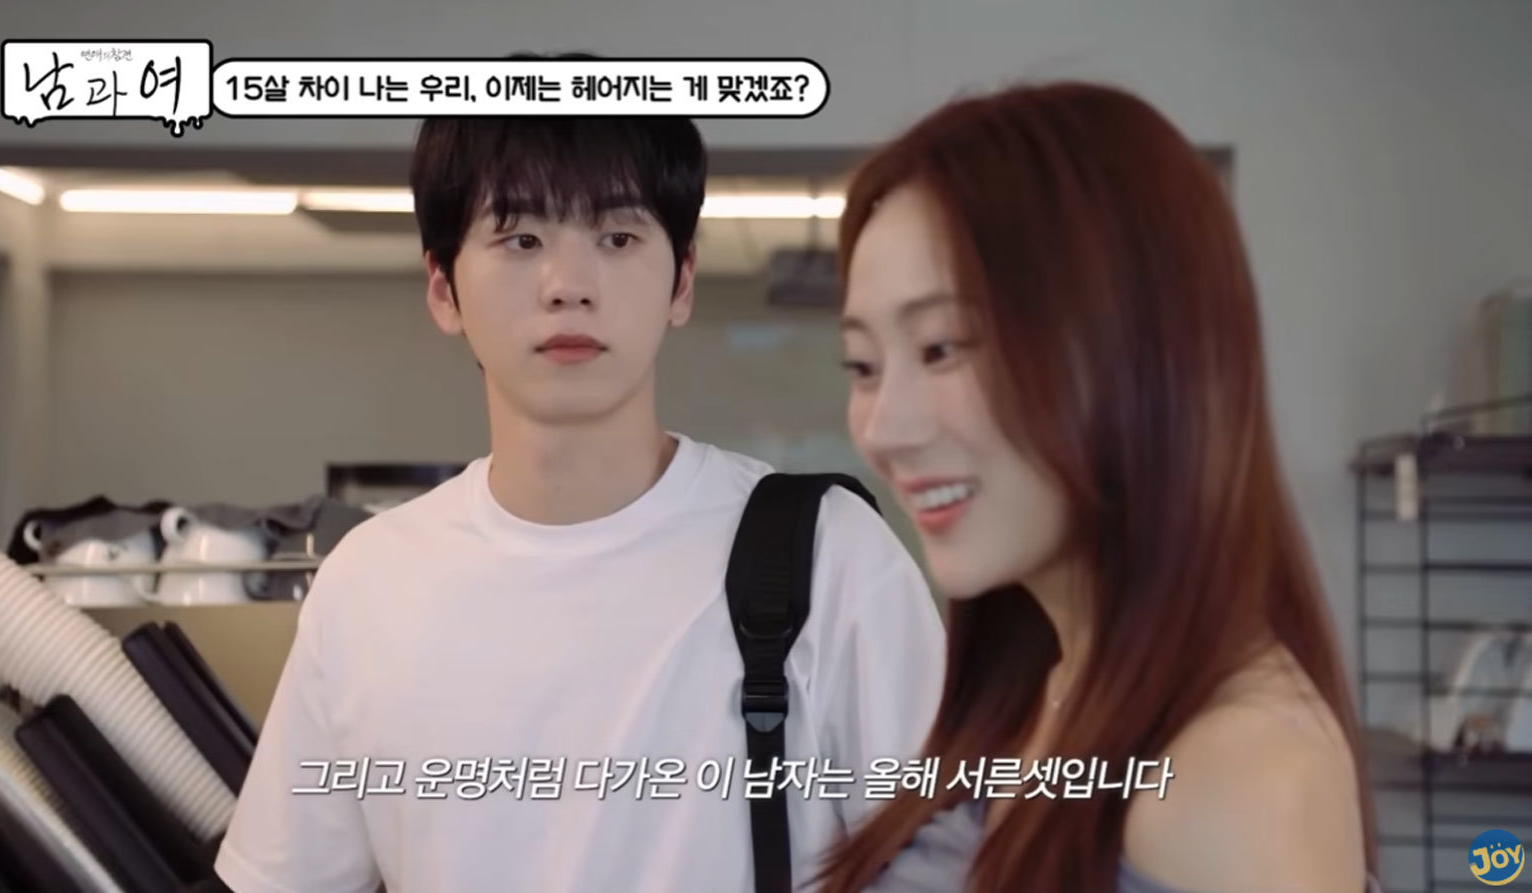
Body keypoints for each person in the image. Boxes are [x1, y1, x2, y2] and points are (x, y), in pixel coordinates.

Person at [211, 57, 947, 893]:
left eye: (618, 238)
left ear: (682, 281)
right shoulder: (369, 585)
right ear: (443, 288)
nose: (568, 286)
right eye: (520, 239)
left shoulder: (830, 557)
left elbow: (950, 868)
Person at [814, 81, 1380, 893]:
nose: (882, 428)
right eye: (863, 366)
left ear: (1134, 345)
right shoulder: (1041, 682)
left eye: (942, 348)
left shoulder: (1241, 772)